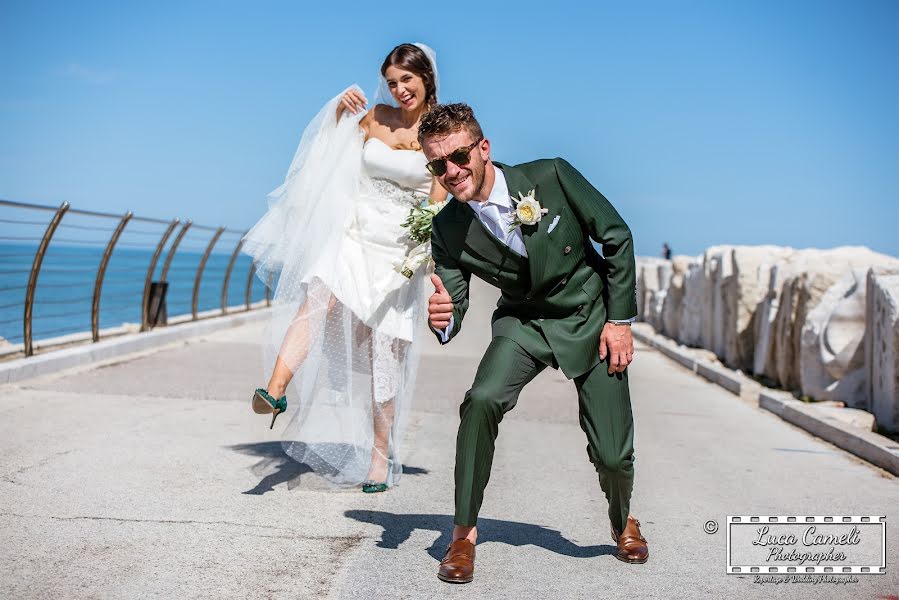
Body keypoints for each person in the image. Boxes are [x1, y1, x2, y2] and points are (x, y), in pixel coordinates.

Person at [419, 103, 649, 583]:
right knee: (480, 400)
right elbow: (454, 305)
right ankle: (462, 535)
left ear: (483, 149)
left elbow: (617, 236)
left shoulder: (551, 176)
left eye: (459, 156)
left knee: (611, 453)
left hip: (589, 316)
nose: (451, 171)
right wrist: (443, 317)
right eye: (437, 164)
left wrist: (620, 320)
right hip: (523, 322)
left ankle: (622, 517)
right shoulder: (446, 228)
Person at [242, 43, 447, 493]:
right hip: (352, 233)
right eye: (392, 82)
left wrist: (426, 249)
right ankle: (274, 389)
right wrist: (337, 113)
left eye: (406, 80)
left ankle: (379, 453)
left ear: (426, 77)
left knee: (384, 353)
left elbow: (440, 195)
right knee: (317, 293)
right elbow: (327, 157)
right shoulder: (374, 116)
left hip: (398, 248)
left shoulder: (440, 130)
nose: (398, 90)